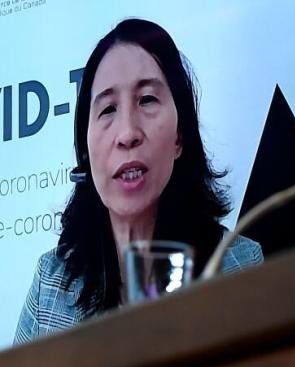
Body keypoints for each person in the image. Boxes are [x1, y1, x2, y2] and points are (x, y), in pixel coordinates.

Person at [14, 19, 262, 343]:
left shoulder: (239, 266)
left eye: (146, 100)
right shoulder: (50, 284)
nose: (128, 133)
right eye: (107, 109)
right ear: (86, 153)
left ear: (179, 137)